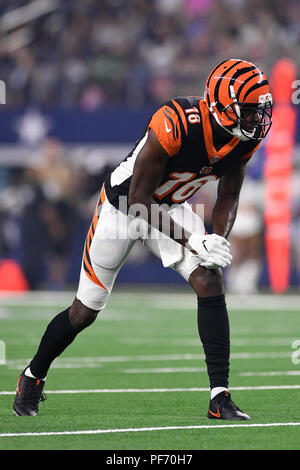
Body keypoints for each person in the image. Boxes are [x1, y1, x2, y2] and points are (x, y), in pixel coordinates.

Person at [13, 59, 273, 419]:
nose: (257, 119)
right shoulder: (176, 121)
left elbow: (229, 194)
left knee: (209, 280)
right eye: (249, 111)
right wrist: (193, 240)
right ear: (222, 106)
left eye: (260, 111)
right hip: (124, 205)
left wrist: (216, 239)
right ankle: (33, 374)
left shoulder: (244, 140)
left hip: (171, 207)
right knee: (83, 311)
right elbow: (138, 200)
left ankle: (220, 396)